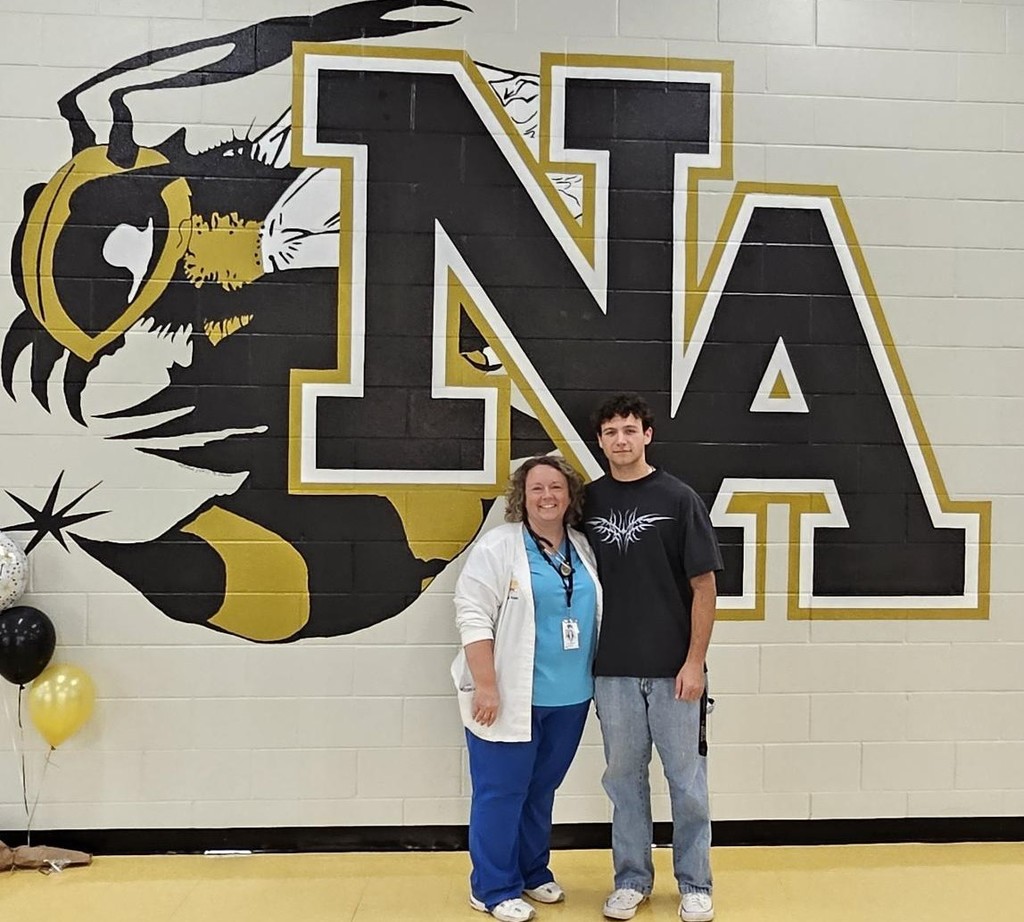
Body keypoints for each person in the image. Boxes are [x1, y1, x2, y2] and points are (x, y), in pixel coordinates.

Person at [582, 394, 723, 922]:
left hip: (673, 670)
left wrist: (695, 662)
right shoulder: (587, 502)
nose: (620, 439)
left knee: (686, 780)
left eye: (629, 430)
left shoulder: (679, 498)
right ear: (600, 441)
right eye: (610, 431)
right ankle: (632, 880)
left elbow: (704, 587)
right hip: (611, 669)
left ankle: (694, 882)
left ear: (647, 435)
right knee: (623, 779)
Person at [452, 455, 602, 922]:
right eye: (537, 488)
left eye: (556, 487)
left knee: (541, 789)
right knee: (501, 792)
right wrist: (487, 686)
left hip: (570, 697)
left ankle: (533, 871)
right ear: (522, 496)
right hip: (511, 697)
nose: (547, 497)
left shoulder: (580, 546)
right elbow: (472, 613)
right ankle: (492, 887)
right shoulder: (499, 547)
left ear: (570, 495)